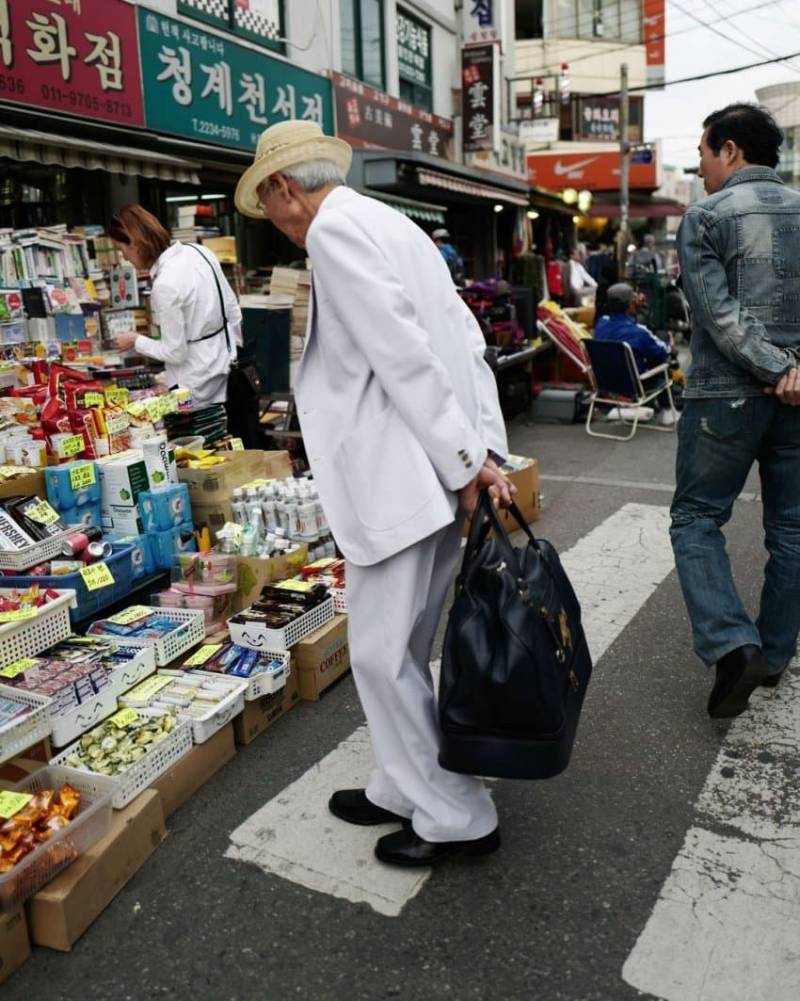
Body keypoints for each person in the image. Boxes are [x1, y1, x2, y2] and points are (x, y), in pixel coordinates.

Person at [235, 120, 514, 867]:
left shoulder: (333, 234)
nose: (279, 225)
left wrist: (465, 462)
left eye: (272, 207)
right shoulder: (392, 223)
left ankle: (455, 812)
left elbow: (406, 358)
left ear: (285, 187)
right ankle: (402, 783)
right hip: (426, 471)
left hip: (401, 478)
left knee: (383, 655)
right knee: (406, 644)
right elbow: (460, 340)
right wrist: (476, 451)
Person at [670, 102, 800, 719]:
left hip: (726, 392)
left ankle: (731, 644)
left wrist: (774, 368)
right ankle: (773, 656)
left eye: (701, 153)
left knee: (696, 517)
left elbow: (718, 317)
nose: (698, 168)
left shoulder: (705, 217)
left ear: (730, 150)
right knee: (794, 530)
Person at [109, 205, 242, 409]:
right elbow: (233, 309)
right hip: (226, 371)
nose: (124, 257)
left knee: (194, 439)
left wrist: (136, 341)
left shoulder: (165, 284)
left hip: (192, 388)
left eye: (122, 249)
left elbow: (174, 353)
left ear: (136, 244)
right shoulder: (201, 252)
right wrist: (231, 351)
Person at [594, 281, 677, 426]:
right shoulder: (639, 332)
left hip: (606, 383)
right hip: (635, 385)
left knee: (643, 350)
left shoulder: (600, 323)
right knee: (664, 356)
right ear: (631, 305)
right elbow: (664, 352)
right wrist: (670, 344)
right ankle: (667, 411)